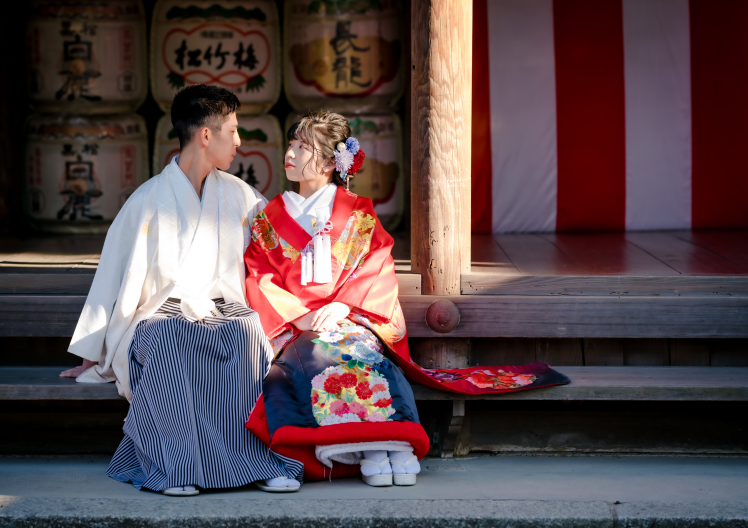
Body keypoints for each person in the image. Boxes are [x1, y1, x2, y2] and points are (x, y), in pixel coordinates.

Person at [243, 111, 570, 487]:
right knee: (315, 356)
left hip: (349, 318)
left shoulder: (357, 211)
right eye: (291, 145)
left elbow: (376, 265)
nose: (290, 154)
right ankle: (371, 447)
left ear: (332, 162)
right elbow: (259, 276)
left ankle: (391, 443)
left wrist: (345, 306)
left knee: (362, 355)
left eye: (303, 147)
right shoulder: (268, 219)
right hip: (297, 326)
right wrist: (299, 317)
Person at [60, 84, 302, 495]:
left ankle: (259, 461)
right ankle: (176, 467)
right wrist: (91, 354)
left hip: (224, 311)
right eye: (233, 130)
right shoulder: (148, 199)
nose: (238, 142)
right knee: (169, 336)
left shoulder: (241, 195)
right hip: (159, 315)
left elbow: (281, 250)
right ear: (206, 135)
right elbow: (111, 276)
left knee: (246, 332)